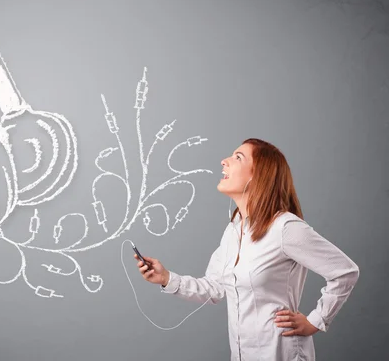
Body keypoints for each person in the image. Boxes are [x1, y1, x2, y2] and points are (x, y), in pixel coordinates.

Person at [135, 138, 359, 361]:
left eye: (237, 157)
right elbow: (215, 288)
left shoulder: (285, 228)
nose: (224, 161)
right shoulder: (234, 230)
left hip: (282, 354)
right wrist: (165, 278)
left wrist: (316, 321)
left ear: (257, 175)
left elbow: (345, 271)